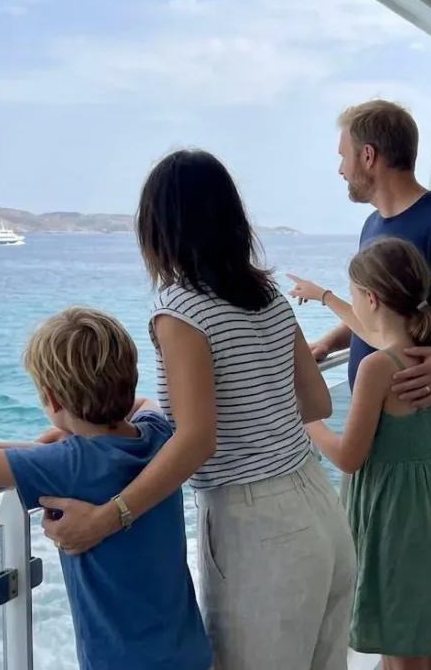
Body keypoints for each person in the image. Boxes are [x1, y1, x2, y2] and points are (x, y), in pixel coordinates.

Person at [35, 149, 357, 670]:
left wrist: (107, 519)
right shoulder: (268, 294)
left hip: (259, 531)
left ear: (157, 228)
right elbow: (315, 401)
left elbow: (197, 438)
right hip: (320, 506)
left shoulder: (179, 310)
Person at [308, 100, 431, 668]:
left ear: (369, 155)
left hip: (428, 439)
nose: (340, 168)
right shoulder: (375, 226)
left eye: (343, 154)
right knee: (421, 576)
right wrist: (329, 342)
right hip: (385, 443)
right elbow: (382, 315)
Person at [0, 307, 212, 670]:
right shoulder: (159, 436)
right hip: (188, 650)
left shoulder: (68, 464)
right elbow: (144, 405)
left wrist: (43, 450)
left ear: (53, 399)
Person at [289, 237, 431, 670]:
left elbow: (350, 456)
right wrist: (326, 296)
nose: (353, 302)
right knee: (428, 632)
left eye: (352, 294)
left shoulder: (377, 368)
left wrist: (308, 420)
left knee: (399, 642)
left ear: (371, 298)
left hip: (393, 513)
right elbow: (373, 331)